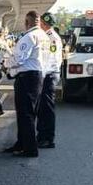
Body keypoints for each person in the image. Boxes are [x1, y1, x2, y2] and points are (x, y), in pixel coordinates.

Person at [3, 10, 47, 158]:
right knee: (29, 113)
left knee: (25, 114)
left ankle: (30, 148)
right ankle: (21, 143)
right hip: (38, 76)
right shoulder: (44, 37)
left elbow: (19, 59)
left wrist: (6, 63)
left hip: (27, 78)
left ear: (26, 23)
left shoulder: (29, 37)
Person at [37, 12, 63, 148]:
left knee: (47, 107)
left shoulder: (52, 38)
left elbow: (50, 59)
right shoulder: (46, 36)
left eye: (40, 23)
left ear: (44, 24)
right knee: (42, 107)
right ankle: (41, 135)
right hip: (47, 74)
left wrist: (41, 74)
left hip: (50, 75)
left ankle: (48, 138)